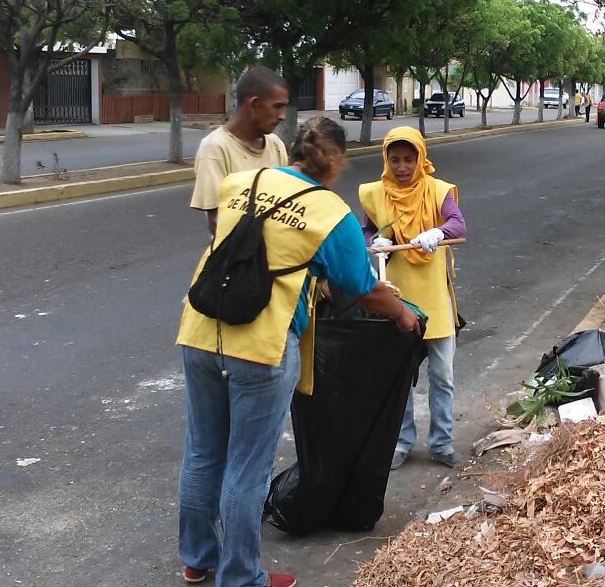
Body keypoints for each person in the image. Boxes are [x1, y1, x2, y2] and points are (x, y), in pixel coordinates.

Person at [176, 117, 421, 587]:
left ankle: (197, 558)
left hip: (201, 331)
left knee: (203, 452)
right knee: (247, 465)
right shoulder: (330, 212)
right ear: (338, 161)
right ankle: (242, 577)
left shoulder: (240, 182)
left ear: (290, 151)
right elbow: (363, 287)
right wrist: (402, 315)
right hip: (261, 346)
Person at [359, 126, 467, 470]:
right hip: (397, 299)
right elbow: (365, 229)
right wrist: (377, 240)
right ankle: (402, 442)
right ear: (386, 160)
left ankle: (441, 442)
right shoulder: (376, 193)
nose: (402, 167)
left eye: (409, 159)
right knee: (399, 378)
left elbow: (457, 224)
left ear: (420, 158)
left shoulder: (438, 190)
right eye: (395, 160)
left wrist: (438, 231)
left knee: (443, 375)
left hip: (435, 299)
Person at [190, 66, 290, 238]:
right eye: (277, 107)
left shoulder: (275, 144)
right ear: (254, 104)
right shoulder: (215, 148)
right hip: (237, 260)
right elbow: (217, 223)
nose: (282, 116)